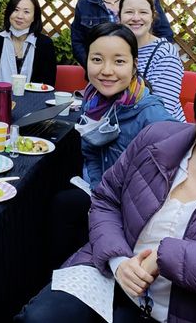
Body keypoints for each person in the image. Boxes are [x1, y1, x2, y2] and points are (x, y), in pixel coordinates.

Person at [17, 59, 196, 323]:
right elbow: (106, 199)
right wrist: (118, 261)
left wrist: (167, 256)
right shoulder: (158, 139)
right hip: (109, 276)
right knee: (40, 318)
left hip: (179, 308)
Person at [52, 22, 173, 263]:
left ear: (134, 65)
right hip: (105, 194)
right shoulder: (94, 100)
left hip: (136, 213)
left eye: (119, 61)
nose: (107, 71)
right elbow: (92, 152)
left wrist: (107, 207)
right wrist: (99, 193)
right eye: (97, 60)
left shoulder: (153, 117)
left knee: (64, 206)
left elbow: (168, 183)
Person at [119, 0, 186, 121]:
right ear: (119, 16)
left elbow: (161, 110)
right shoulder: (116, 47)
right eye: (129, 12)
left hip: (159, 132)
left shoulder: (165, 53)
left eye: (143, 12)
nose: (136, 18)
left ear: (153, 16)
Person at [0, 0, 56, 85]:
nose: (19, 16)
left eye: (26, 12)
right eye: (16, 10)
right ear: (9, 12)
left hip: (33, 98)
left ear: (34, 17)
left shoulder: (44, 44)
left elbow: (49, 84)